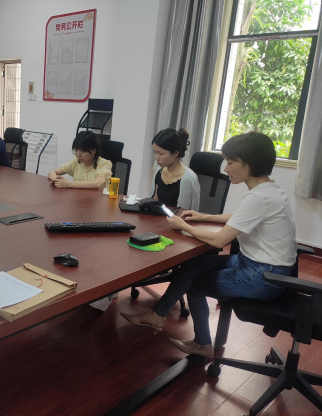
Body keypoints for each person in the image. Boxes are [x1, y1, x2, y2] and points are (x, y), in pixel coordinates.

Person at [120, 132, 297, 357]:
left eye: (230, 162)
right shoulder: (270, 190)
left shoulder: (258, 198)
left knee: (195, 285)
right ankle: (156, 314)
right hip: (263, 267)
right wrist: (204, 216)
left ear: (249, 164)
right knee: (192, 267)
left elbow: (220, 240)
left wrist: (184, 226)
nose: (226, 169)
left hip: (263, 277)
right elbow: (241, 216)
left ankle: (202, 344)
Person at [149, 127, 200, 210]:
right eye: (155, 153)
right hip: (158, 216)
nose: (156, 158)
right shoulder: (159, 171)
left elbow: (186, 212)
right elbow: (154, 202)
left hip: (177, 218)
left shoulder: (188, 178)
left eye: (161, 154)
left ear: (176, 153)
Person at [48, 131, 112, 189]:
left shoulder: (104, 164)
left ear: (94, 151)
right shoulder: (76, 161)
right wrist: (57, 180)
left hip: (98, 198)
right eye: (76, 150)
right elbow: (52, 173)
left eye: (83, 151)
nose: (78, 154)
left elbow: (97, 184)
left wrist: (67, 184)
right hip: (78, 197)